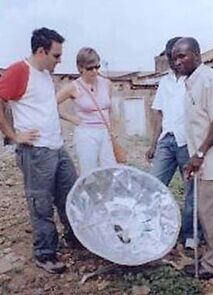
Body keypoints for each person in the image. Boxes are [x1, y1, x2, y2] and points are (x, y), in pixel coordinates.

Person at [0, 27, 78, 274]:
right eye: (56, 55)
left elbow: (45, 108)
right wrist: (12, 135)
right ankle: (44, 254)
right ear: (41, 51)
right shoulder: (19, 71)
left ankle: (74, 238)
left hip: (56, 148)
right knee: (41, 204)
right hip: (35, 152)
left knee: (71, 195)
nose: (59, 60)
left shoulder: (44, 74)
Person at [172, 37, 213, 279]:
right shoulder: (191, 83)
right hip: (202, 164)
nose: (178, 62)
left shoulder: (209, 79)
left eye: (183, 56)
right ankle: (211, 260)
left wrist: (199, 153)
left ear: (197, 55)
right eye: (175, 57)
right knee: (208, 216)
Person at [145, 37, 198, 249]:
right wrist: (153, 143)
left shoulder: (194, 78)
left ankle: (191, 236)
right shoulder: (165, 82)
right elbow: (159, 114)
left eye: (176, 56)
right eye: (169, 56)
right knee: (153, 185)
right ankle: (150, 229)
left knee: (191, 190)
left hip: (188, 141)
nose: (173, 61)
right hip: (167, 140)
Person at [56, 47, 116, 176]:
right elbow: (51, 105)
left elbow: (110, 109)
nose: (94, 71)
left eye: (97, 67)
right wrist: (71, 118)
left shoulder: (107, 84)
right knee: (89, 173)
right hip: (86, 133)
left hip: (105, 132)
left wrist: (112, 130)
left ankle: (108, 196)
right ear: (80, 68)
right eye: (90, 68)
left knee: (110, 172)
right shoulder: (73, 87)